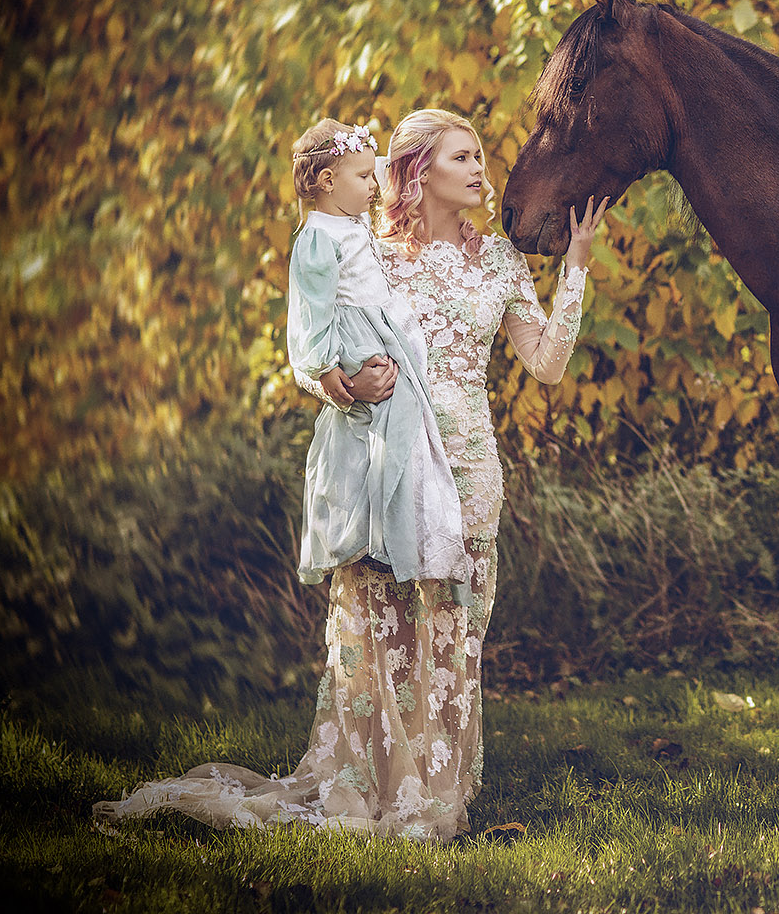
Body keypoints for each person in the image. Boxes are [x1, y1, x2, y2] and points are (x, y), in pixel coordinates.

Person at [94, 109, 608, 840]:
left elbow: (549, 365)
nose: (481, 170)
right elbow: (313, 346)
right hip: (386, 458)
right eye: (463, 157)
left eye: (480, 156)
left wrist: (577, 265)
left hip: (469, 464)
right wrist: (342, 386)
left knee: (455, 629)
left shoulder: (500, 262)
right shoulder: (370, 252)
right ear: (419, 171)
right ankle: (375, 784)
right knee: (382, 624)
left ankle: (433, 787)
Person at [284, 118, 467, 597]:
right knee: (375, 433)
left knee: (406, 431)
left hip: (385, 331)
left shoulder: (349, 212)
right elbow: (312, 315)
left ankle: (408, 533)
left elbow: (387, 167)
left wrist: (371, 147)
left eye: (373, 175)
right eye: (364, 177)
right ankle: (380, 537)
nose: (375, 184)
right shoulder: (319, 237)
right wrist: (331, 373)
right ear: (327, 183)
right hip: (358, 340)